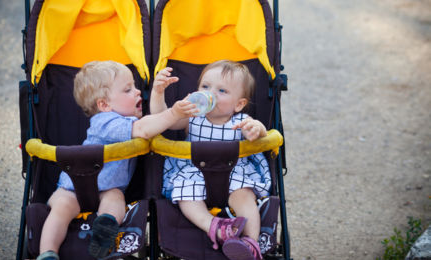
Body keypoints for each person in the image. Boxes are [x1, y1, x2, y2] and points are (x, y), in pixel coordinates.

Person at [37, 61, 197, 260]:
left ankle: (105, 230)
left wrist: (160, 97)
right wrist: (174, 113)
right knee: (61, 209)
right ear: (104, 105)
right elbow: (144, 129)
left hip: (109, 189)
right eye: (128, 89)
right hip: (73, 187)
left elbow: (148, 124)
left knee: (115, 202)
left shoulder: (125, 121)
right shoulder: (105, 123)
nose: (138, 92)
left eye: (135, 87)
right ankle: (48, 252)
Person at [150, 60, 271, 260]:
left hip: (234, 172)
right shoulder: (192, 117)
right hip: (195, 172)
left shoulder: (241, 122)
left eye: (222, 90)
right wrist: (158, 92)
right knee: (185, 195)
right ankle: (215, 227)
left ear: (239, 104)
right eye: (205, 87)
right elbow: (162, 119)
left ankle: (250, 242)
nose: (210, 94)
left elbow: (259, 133)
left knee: (244, 197)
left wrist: (256, 129)